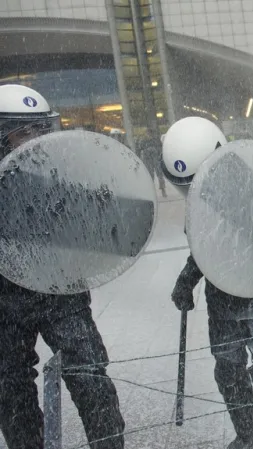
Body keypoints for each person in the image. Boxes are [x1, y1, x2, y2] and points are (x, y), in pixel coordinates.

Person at [161, 117, 253, 449]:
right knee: (228, 373)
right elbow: (204, 249)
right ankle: (250, 435)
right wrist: (186, 282)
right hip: (223, 300)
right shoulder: (197, 199)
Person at [0, 84, 126, 449]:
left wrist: (102, 206)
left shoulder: (62, 172)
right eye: (25, 132)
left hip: (61, 291)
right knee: (12, 389)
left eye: (41, 130)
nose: (36, 140)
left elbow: (92, 223)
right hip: (5, 300)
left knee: (90, 376)